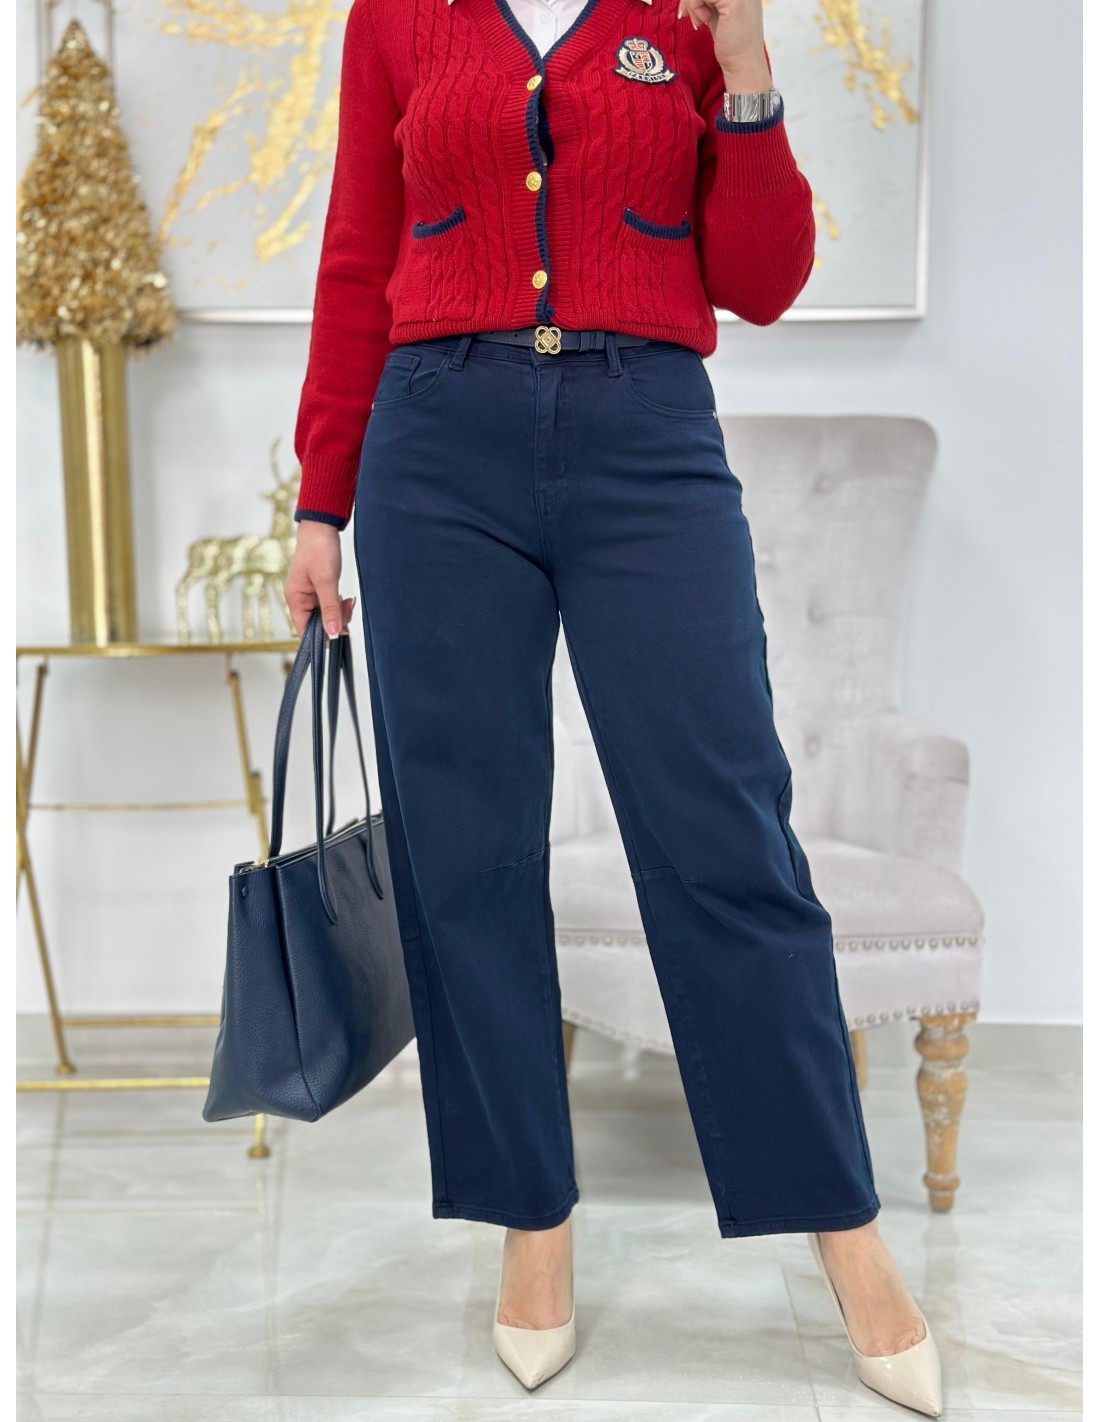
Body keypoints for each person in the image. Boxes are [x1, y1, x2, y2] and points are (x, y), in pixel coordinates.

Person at [284, 0, 943, 1412]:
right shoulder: (396, 18)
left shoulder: (688, 19)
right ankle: (533, 1215)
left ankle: (844, 1224)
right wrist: (321, 500)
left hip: (647, 435)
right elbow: (358, 254)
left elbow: (762, 279)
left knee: (726, 834)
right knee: (467, 849)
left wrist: (748, 68)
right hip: (434, 447)